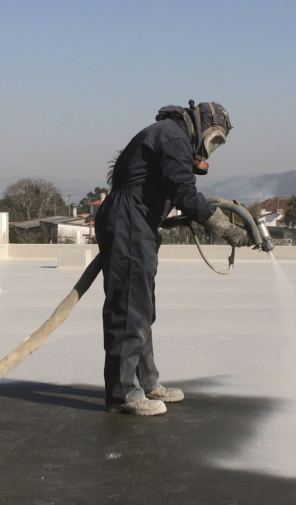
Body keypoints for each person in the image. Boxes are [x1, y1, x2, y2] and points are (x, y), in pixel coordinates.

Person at [95, 101, 252, 416]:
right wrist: (225, 227)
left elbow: (160, 188)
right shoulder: (173, 136)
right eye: (215, 140)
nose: (213, 148)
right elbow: (184, 191)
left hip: (138, 222)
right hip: (128, 222)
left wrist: (171, 217)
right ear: (203, 125)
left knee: (141, 309)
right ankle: (123, 394)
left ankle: (146, 382)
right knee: (128, 309)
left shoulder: (172, 135)